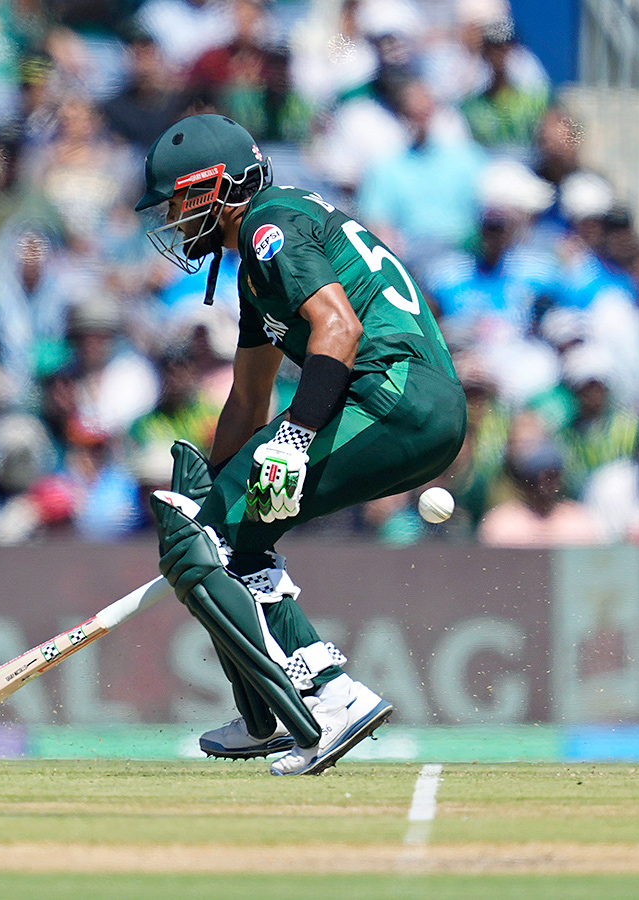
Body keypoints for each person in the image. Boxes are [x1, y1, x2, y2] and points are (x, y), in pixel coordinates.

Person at [134, 114, 465, 774]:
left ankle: (329, 696)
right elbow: (248, 397)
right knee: (225, 537)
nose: (173, 222)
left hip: (393, 396)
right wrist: (214, 490)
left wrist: (292, 438)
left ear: (216, 188)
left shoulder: (267, 228)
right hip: (408, 402)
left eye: (179, 202)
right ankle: (267, 716)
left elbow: (338, 329)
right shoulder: (259, 265)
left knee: (215, 542)